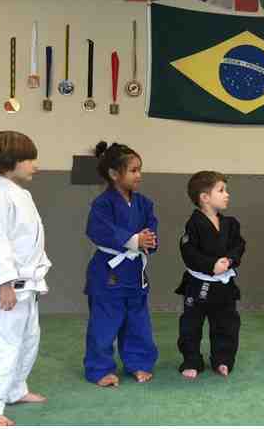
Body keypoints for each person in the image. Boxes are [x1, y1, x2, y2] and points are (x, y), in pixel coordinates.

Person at [0, 131, 51, 426]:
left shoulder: (21, 195)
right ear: (6, 163)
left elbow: (28, 241)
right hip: (7, 287)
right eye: (29, 159)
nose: (35, 165)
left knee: (27, 341)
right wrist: (4, 284)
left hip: (27, 285)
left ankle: (15, 389)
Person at [83, 141, 158, 386]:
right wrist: (134, 240)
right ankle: (100, 369)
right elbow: (98, 230)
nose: (139, 175)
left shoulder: (144, 203)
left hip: (134, 270)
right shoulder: (102, 204)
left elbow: (151, 229)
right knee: (104, 323)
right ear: (114, 174)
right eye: (133, 170)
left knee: (138, 321)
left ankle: (138, 363)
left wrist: (147, 240)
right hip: (108, 271)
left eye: (140, 170)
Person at [176, 171, 246, 379]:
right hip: (199, 284)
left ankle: (223, 359)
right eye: (221, 190)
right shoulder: (194, 224)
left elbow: (239, 245)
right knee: (191, 325)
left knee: (227, 323)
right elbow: (189, 252)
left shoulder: (230, 223)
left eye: (226, 190)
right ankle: (191, 360)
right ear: (205, 197)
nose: (227, 194)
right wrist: (211, 265)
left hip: (224, 285)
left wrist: (230, 260)